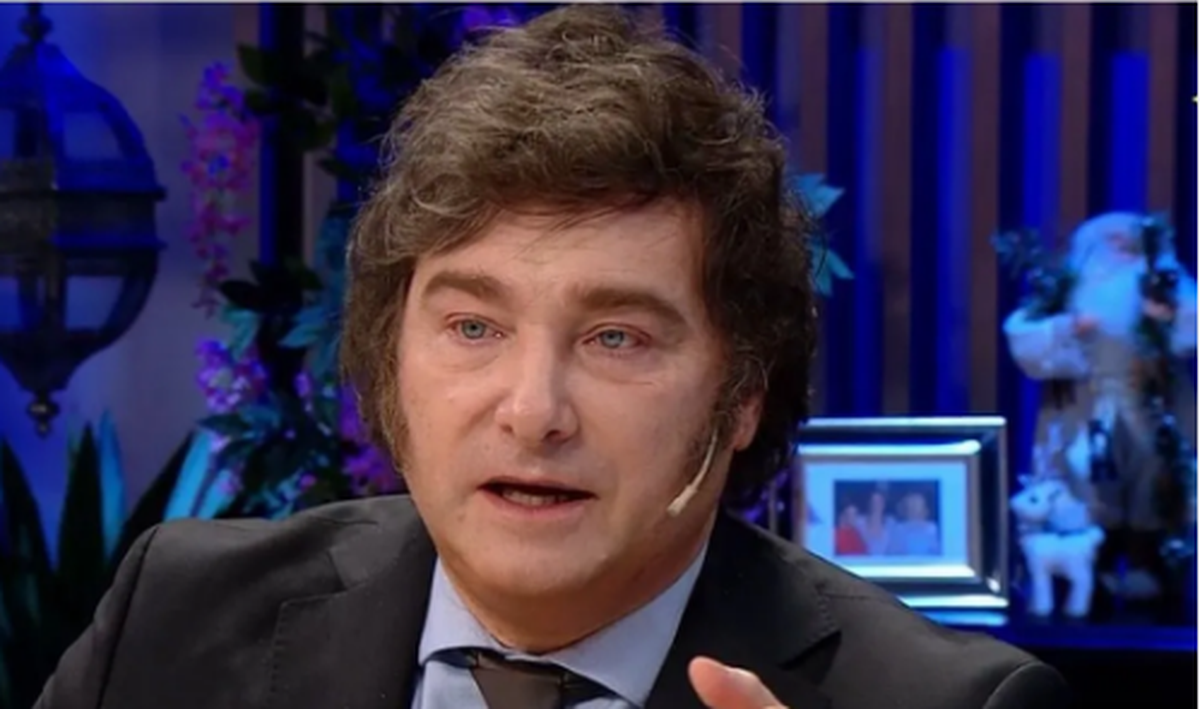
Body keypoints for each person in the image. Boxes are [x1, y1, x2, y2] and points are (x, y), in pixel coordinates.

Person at [37, 7, 1068, 709]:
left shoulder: (954, 700)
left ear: (742, 394)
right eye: (473, 327)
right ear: (391, 358)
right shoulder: (176, 614)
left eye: (617, 338)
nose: (532, 411)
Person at [1004, 211, 1197, 602]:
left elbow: (1188, 329)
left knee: (1152, 478)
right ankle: (1093, 572)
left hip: (1151, 401)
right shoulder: (1068, 290)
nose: (1120, 248)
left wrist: (1167, 316)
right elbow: (1025, 336)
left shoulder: (1163, 282)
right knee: (1087, 480)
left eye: (1128, 242)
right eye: (1111, 241)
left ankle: (1149, 564)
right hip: (1083, 404)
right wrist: (1068, 327)